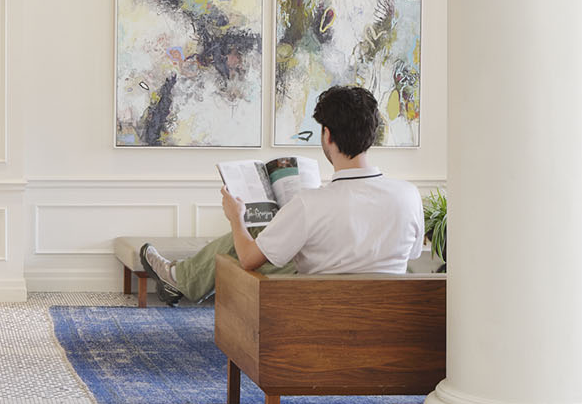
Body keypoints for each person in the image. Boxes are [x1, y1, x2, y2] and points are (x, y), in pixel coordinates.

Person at [139, 84, 424, 304]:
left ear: (327, 135)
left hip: (316, 314)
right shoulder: (408, 195)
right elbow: (410, 255)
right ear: (372, 134)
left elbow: (250, 259)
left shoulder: (311, 203)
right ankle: (180, 277)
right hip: (387, 316)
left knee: (241, 245)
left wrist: (236, 217)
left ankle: (180, 278)